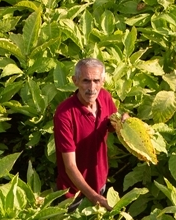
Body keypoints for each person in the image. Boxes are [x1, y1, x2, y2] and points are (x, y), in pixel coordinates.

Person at [53, 58, 127, 211]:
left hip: (99, 182)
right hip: (73, 193)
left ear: (103, 81)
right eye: (86, 81)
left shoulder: (105, 97)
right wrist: (94, 197)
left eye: (96, 81)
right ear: (75, 81)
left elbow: (109, 125)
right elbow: (70, 166)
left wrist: (124, 124)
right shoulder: (64, 114)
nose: (92, 88)